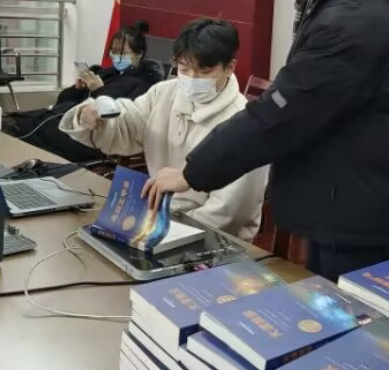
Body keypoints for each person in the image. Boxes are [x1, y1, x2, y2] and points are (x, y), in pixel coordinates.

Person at [144, 0, 389, 281]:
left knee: (350, 314)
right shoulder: (341, 7)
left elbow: (281, 113)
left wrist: (192, 172)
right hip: (349, 203)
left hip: (356, 216)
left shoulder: (349, 20)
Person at [60, 18, 267, 242]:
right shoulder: (165, 92)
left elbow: (228, 214)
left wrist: (164, 231)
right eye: (184, 69)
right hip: (157, 216)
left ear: (230, 67)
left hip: (210, 238)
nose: (192, 79)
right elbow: (130, 125)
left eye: (205, 71)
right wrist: (92, 117)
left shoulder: (245, 124)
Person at [3, 20, 164, 162]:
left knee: (25, 128)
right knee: (20, 120)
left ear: (139, 54)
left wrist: (99, 90)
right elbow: (63, 100)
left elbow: (120, 120)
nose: (116, 56)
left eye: (122, 52)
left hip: (90, 137)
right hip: (67, 118)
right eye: (114, 51)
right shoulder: (107, 73)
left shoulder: (145, 85)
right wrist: (76, 88)